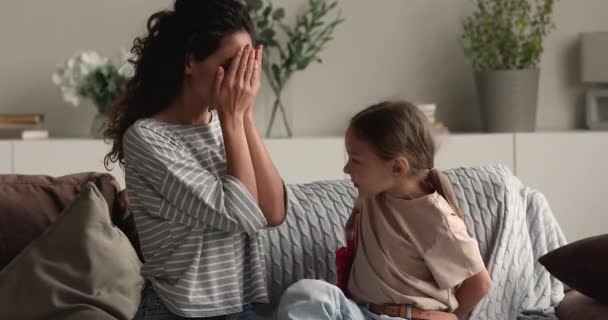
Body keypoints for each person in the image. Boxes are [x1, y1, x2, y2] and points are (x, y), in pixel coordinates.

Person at [103, 0, 286, 319]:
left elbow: (272, 211)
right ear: (190, 61)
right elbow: (238, 213)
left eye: (246, 68)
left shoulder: (226, 123)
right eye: (230, 66)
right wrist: (233, 117)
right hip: (180, 311)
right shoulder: (148, 138)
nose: (238, 81)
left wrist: (243, 117)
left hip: (238, 306)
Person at [277, 101, 493, 320]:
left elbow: (480, 283)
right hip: (362, 312)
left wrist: (452, 316)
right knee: (308, 294)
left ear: (397, 167)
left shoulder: (438, 220)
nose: (346, 169)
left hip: (410, 317)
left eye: (356, 160)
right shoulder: (373, 193)